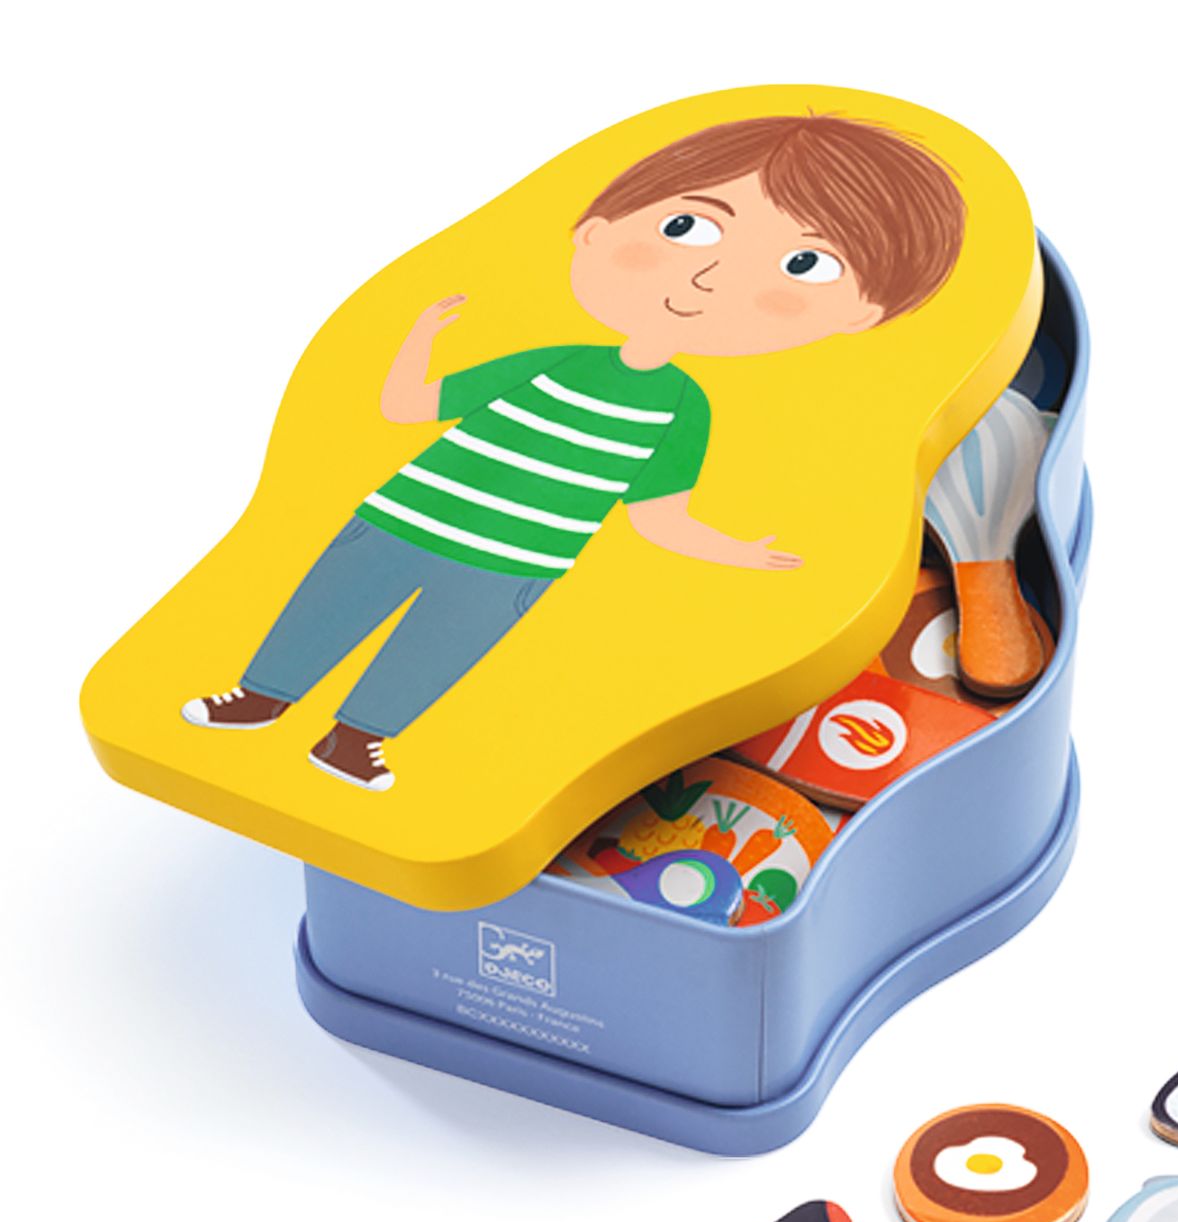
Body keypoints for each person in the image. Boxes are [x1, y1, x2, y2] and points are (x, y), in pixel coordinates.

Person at [183, 113, 966, 790]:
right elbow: (410, 408)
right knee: (330, 604)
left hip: (515, 562)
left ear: (860, 316)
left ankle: (355, 739)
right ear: (595, 229)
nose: (709, 276)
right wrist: (418, 335)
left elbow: (657, 516)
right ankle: (260, 696)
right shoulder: (554, 359)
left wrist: (743, 553)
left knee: (435, 653)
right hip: (403, 518)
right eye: (687, 227)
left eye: (806, 264)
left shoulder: (682, 408)